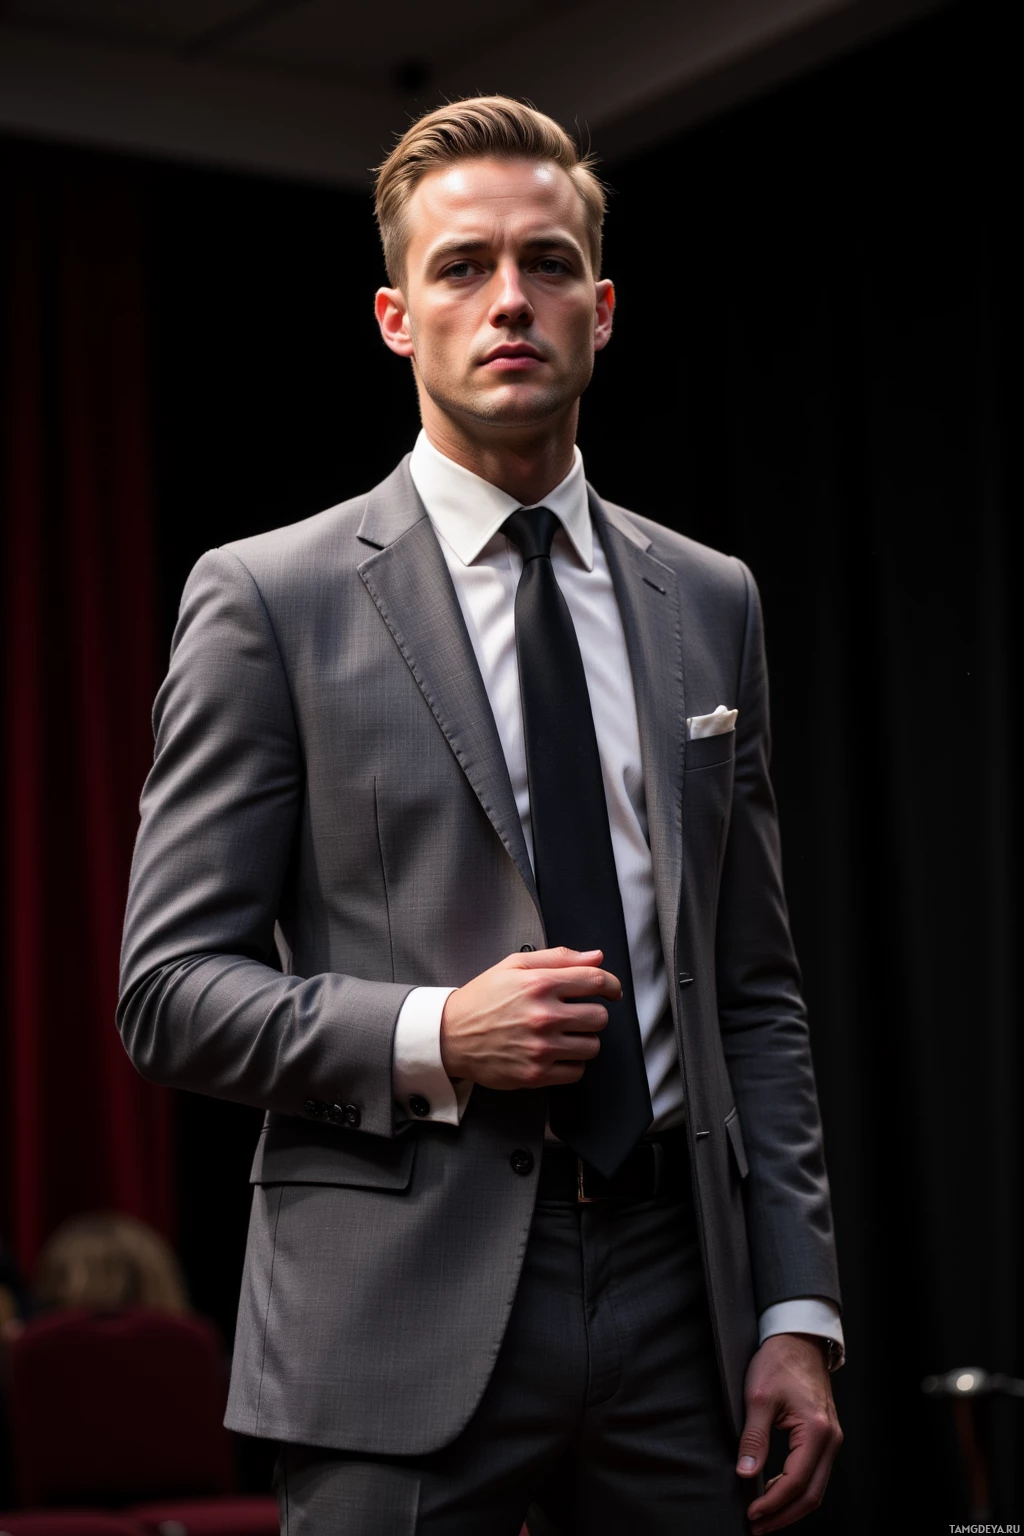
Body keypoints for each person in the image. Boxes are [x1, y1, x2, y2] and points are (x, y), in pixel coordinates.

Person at [117, 96, 843, 1535]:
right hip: (393, 1323)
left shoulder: (712, 599)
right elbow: (166, 994)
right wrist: (433, 1033)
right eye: (461, 268)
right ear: (396, 316)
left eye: (549, 262)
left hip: (679, 1310)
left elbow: (754, 995)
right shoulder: (270, 599)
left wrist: (797, 1305)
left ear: (605, 306)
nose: (510, 298)